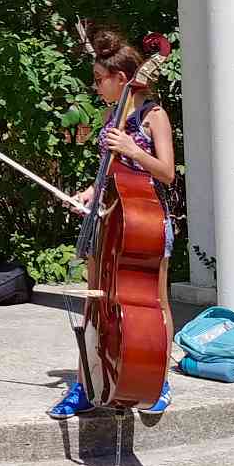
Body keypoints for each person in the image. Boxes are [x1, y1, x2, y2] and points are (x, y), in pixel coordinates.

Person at [48, 28, 177, 420]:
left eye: (100, 78)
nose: (95, 84)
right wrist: (91, 191)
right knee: (97, 304)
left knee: (154, 304)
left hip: (147, 220)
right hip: (110, 219)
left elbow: (167, 172)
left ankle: (157, 378)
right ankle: (89, 381)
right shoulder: (111, 115)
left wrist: (133, 148)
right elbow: (111, 170)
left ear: (122, 79)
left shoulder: (154, 115)